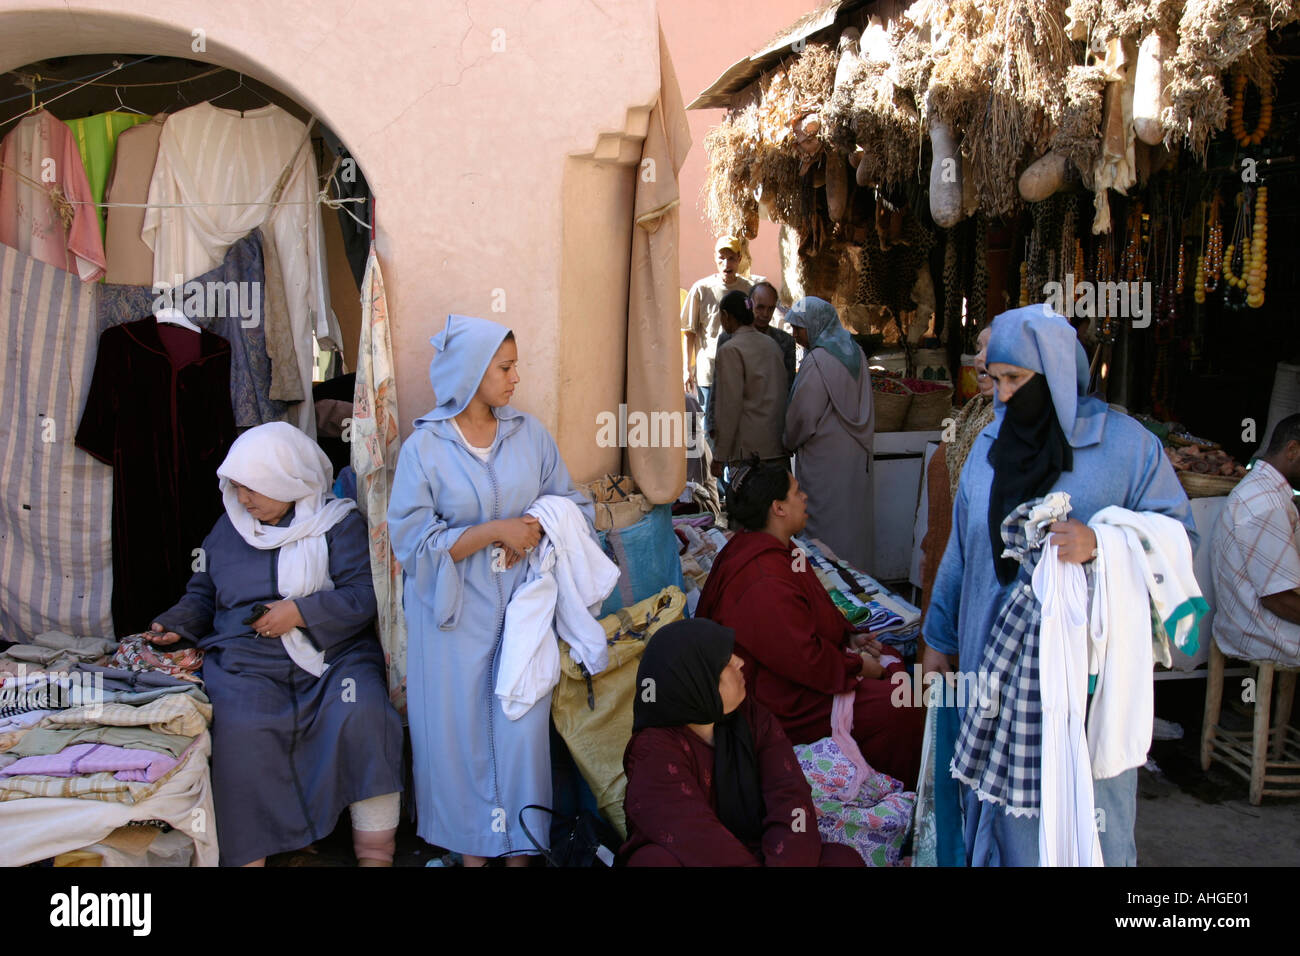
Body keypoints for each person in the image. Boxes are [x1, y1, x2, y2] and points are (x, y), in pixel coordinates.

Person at [922, 305, 1194, 867]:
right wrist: (938, 638)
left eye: (1014, 380)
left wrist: (1101, 546)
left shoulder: (1126, 448)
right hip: (989, 661)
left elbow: (1177, 539)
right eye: (994, 380)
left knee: (1091, 815)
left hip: (1083, 682)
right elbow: (962, 550)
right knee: (999, 810)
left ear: (1057, 374)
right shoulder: (989, 448)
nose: (999, 397)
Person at [388, 314, 596, 866]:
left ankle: (522, 853)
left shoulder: (529, 435)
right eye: (504, 368)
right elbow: (410, 542)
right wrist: (494, 532)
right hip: (452, 619)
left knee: (520, 733)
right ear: (472, 370)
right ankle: (470, 854)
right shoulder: (425, 448)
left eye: (515, 366)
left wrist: (536, 529)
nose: (514, 379)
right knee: (457, 738)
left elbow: (574, 504)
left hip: (520, 614)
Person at [151, 421, 404, 867]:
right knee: (243, 727)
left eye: (255, 488)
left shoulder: (338, 525)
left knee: (363, 711)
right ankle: (252, 854)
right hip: (246, 660)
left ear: (289, 481)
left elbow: (366, 595)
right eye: (238, 488)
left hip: (332, 658)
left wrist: (301, 612)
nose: (244, 499)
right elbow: (203, 591)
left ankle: (376, 853)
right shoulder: (228, 528)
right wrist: (176, 624)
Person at [696, 461, 924, 788]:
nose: (805, 498)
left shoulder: (778, 549)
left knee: (889, 658)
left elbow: (814, 608)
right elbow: (804, 659)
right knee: (897, 705)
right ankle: (893, 796)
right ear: (778, 508)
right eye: (796, 492)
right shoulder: (761, 580)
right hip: (773, 702)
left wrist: (850, 637)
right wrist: (859, 666)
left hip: (790, 673)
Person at [620, 618, 862, 867]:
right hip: (695, 858)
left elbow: (791, 797)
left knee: (844, 860)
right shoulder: (653, 751)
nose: (740, 662)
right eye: (724, 662)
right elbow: (695, 838)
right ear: (696, 683)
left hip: (758, 850)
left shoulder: (751, 717)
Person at [783, 296, 875, 571]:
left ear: (816, 325)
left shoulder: (819, 361)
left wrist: (788, 441)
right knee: (852, 521)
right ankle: (860, 581)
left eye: (799, 328)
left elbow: (803, 416)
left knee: (824, 526)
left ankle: (828, 583)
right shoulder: (855, 352)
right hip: (855, 454)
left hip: (824, 460)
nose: (795, 334)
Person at [1212, 413, 1300, 668]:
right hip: (1263, 632)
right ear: (1292, 450)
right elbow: (1277, 599)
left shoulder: (1265, 490)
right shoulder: (1267, 502)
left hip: (1248, 622)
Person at [920, 324, 995, 615]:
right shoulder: (969, 411)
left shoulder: (1010, 423)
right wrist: (929, 542)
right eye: (978, 348)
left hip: (974, 564)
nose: (979, 358)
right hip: (942, 549)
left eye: (991, 350)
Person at [706, 290, 788, 484]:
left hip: (748, 453)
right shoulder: (772, 345)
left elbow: (730, 407)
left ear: (725, 316)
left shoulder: (731, 349)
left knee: (750, 510)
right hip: (776, 446)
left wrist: (719, 455)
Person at [682, 235, 762, 415]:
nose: (727, 263)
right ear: (715, 258)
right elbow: (689, 331)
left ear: (739, 259)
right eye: (722, 257)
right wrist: (686, 368)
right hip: (709, 372)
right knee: (709, 425)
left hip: (741, 371)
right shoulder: (701, 289)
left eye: (732, 258)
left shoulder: (749, 290)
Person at [718, 280, 796, 389]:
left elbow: (788, 385)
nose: (765, 314)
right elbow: (719, 386)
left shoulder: (785, 341)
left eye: (770, 309)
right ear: (749, 305)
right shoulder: (728, 339)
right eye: (760, 307)